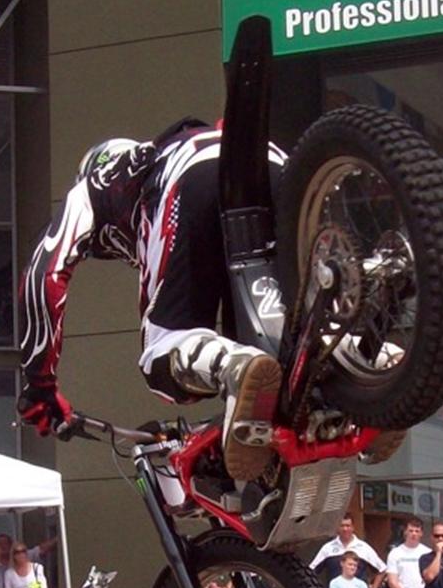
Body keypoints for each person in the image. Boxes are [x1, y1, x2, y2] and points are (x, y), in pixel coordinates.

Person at [15, 124, 292, 482]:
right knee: (277, 334)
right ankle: (363, 356)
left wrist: (40, 384)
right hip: (273, 160)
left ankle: (233, 366)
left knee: (161, 352)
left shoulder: (94, 184)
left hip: (193, 174)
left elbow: (43, 274)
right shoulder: (162, 150)